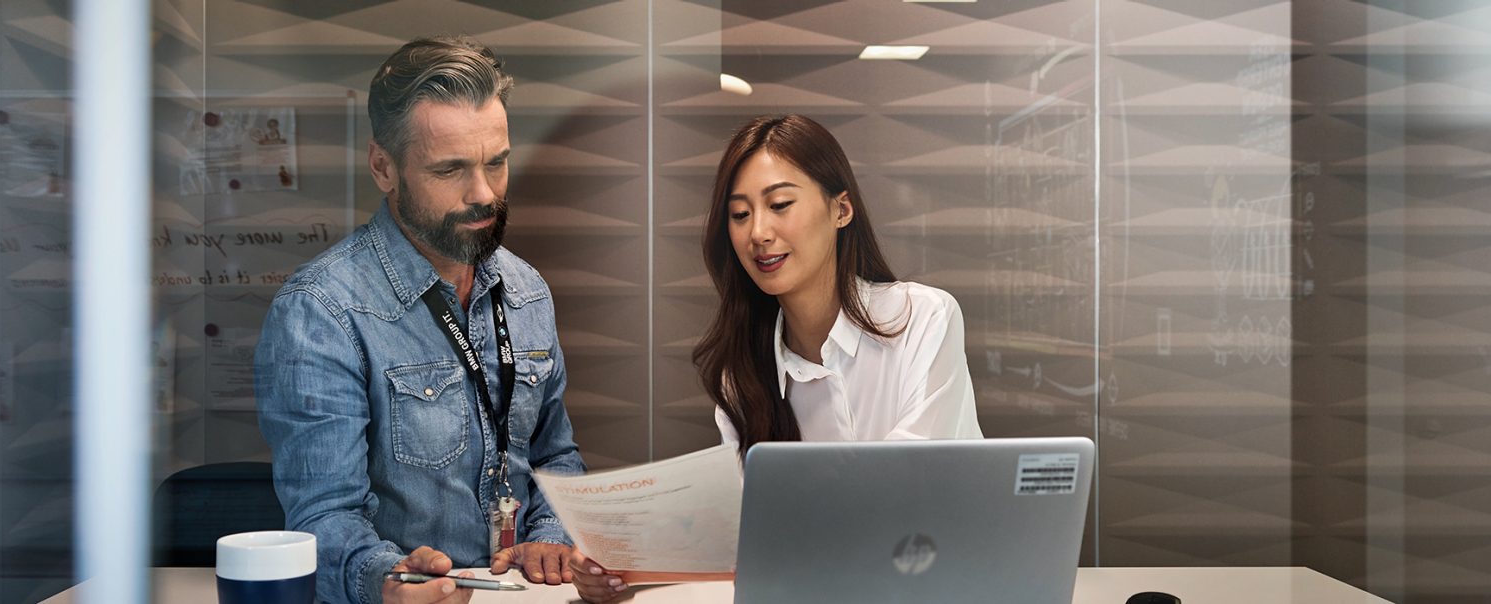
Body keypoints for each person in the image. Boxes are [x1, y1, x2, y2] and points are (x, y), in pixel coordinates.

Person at [569, 114, 983, 602]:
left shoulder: (921, 318)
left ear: (841, 209)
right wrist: (627, 568)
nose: (758, 232)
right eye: (740, 215)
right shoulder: (739, 372)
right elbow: (746, 535)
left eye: (780, 204)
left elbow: (906, 491)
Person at [255, 36, 585, 604]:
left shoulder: (526, 290)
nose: (483, 194)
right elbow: (322, 514)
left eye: (497, 162)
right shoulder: (320, 310)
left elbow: (554, 456)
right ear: (384, 167)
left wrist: (550, 536)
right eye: (450, 169)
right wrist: (384, 579)